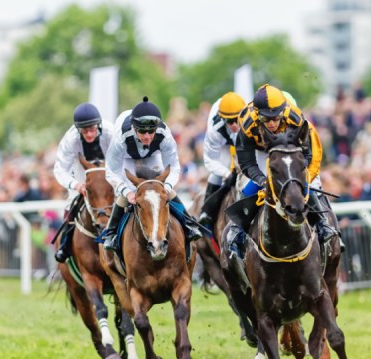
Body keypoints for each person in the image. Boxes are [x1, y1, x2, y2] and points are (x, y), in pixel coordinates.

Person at [226, 84, 337, 259]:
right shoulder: (247, 122)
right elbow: (247, 162)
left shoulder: (296, 119)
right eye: (266, 119)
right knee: (250, 187)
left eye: (275, 118)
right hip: (263, 151)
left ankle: (323, 225)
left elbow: (308, 154)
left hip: (292, 151)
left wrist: (298, 177)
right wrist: (262, 180)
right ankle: (236, 229)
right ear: (257, 114)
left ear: (283, 111)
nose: (271, 123)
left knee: (305, 184)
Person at [102, 97, 202, 252]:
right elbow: (111, 171)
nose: (147, 136)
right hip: (126, 158)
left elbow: (174, 167)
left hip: (152, 155)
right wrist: (127, 192)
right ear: (134, 128)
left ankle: (188, 223)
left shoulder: (165, 134)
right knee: (128, 189)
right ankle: (111, 233)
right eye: (142, 131)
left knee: (161, 189)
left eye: (151, 131)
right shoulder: (120, 138)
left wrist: (167, 187)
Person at [52, 102, 114, 263]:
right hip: (81, 174)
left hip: (109, 173)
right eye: (84, 130)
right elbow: (60, 169)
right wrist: (76, 185)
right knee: (71, 204)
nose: (88, 134)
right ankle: (65, 245)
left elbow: (121, 159)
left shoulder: (111, 132)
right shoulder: (70, 139)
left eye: (92, 129)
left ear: (98, 126)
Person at [198, 92, 246, 229]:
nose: (235, 125)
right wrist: (226, 174)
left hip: (244, 140)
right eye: (230, 122)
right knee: (221, 170)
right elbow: (210, 160)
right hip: (224, 144)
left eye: (237, 119)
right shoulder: (215, 129)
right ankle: (206, 212)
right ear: (223, 119)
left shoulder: (251, 119)